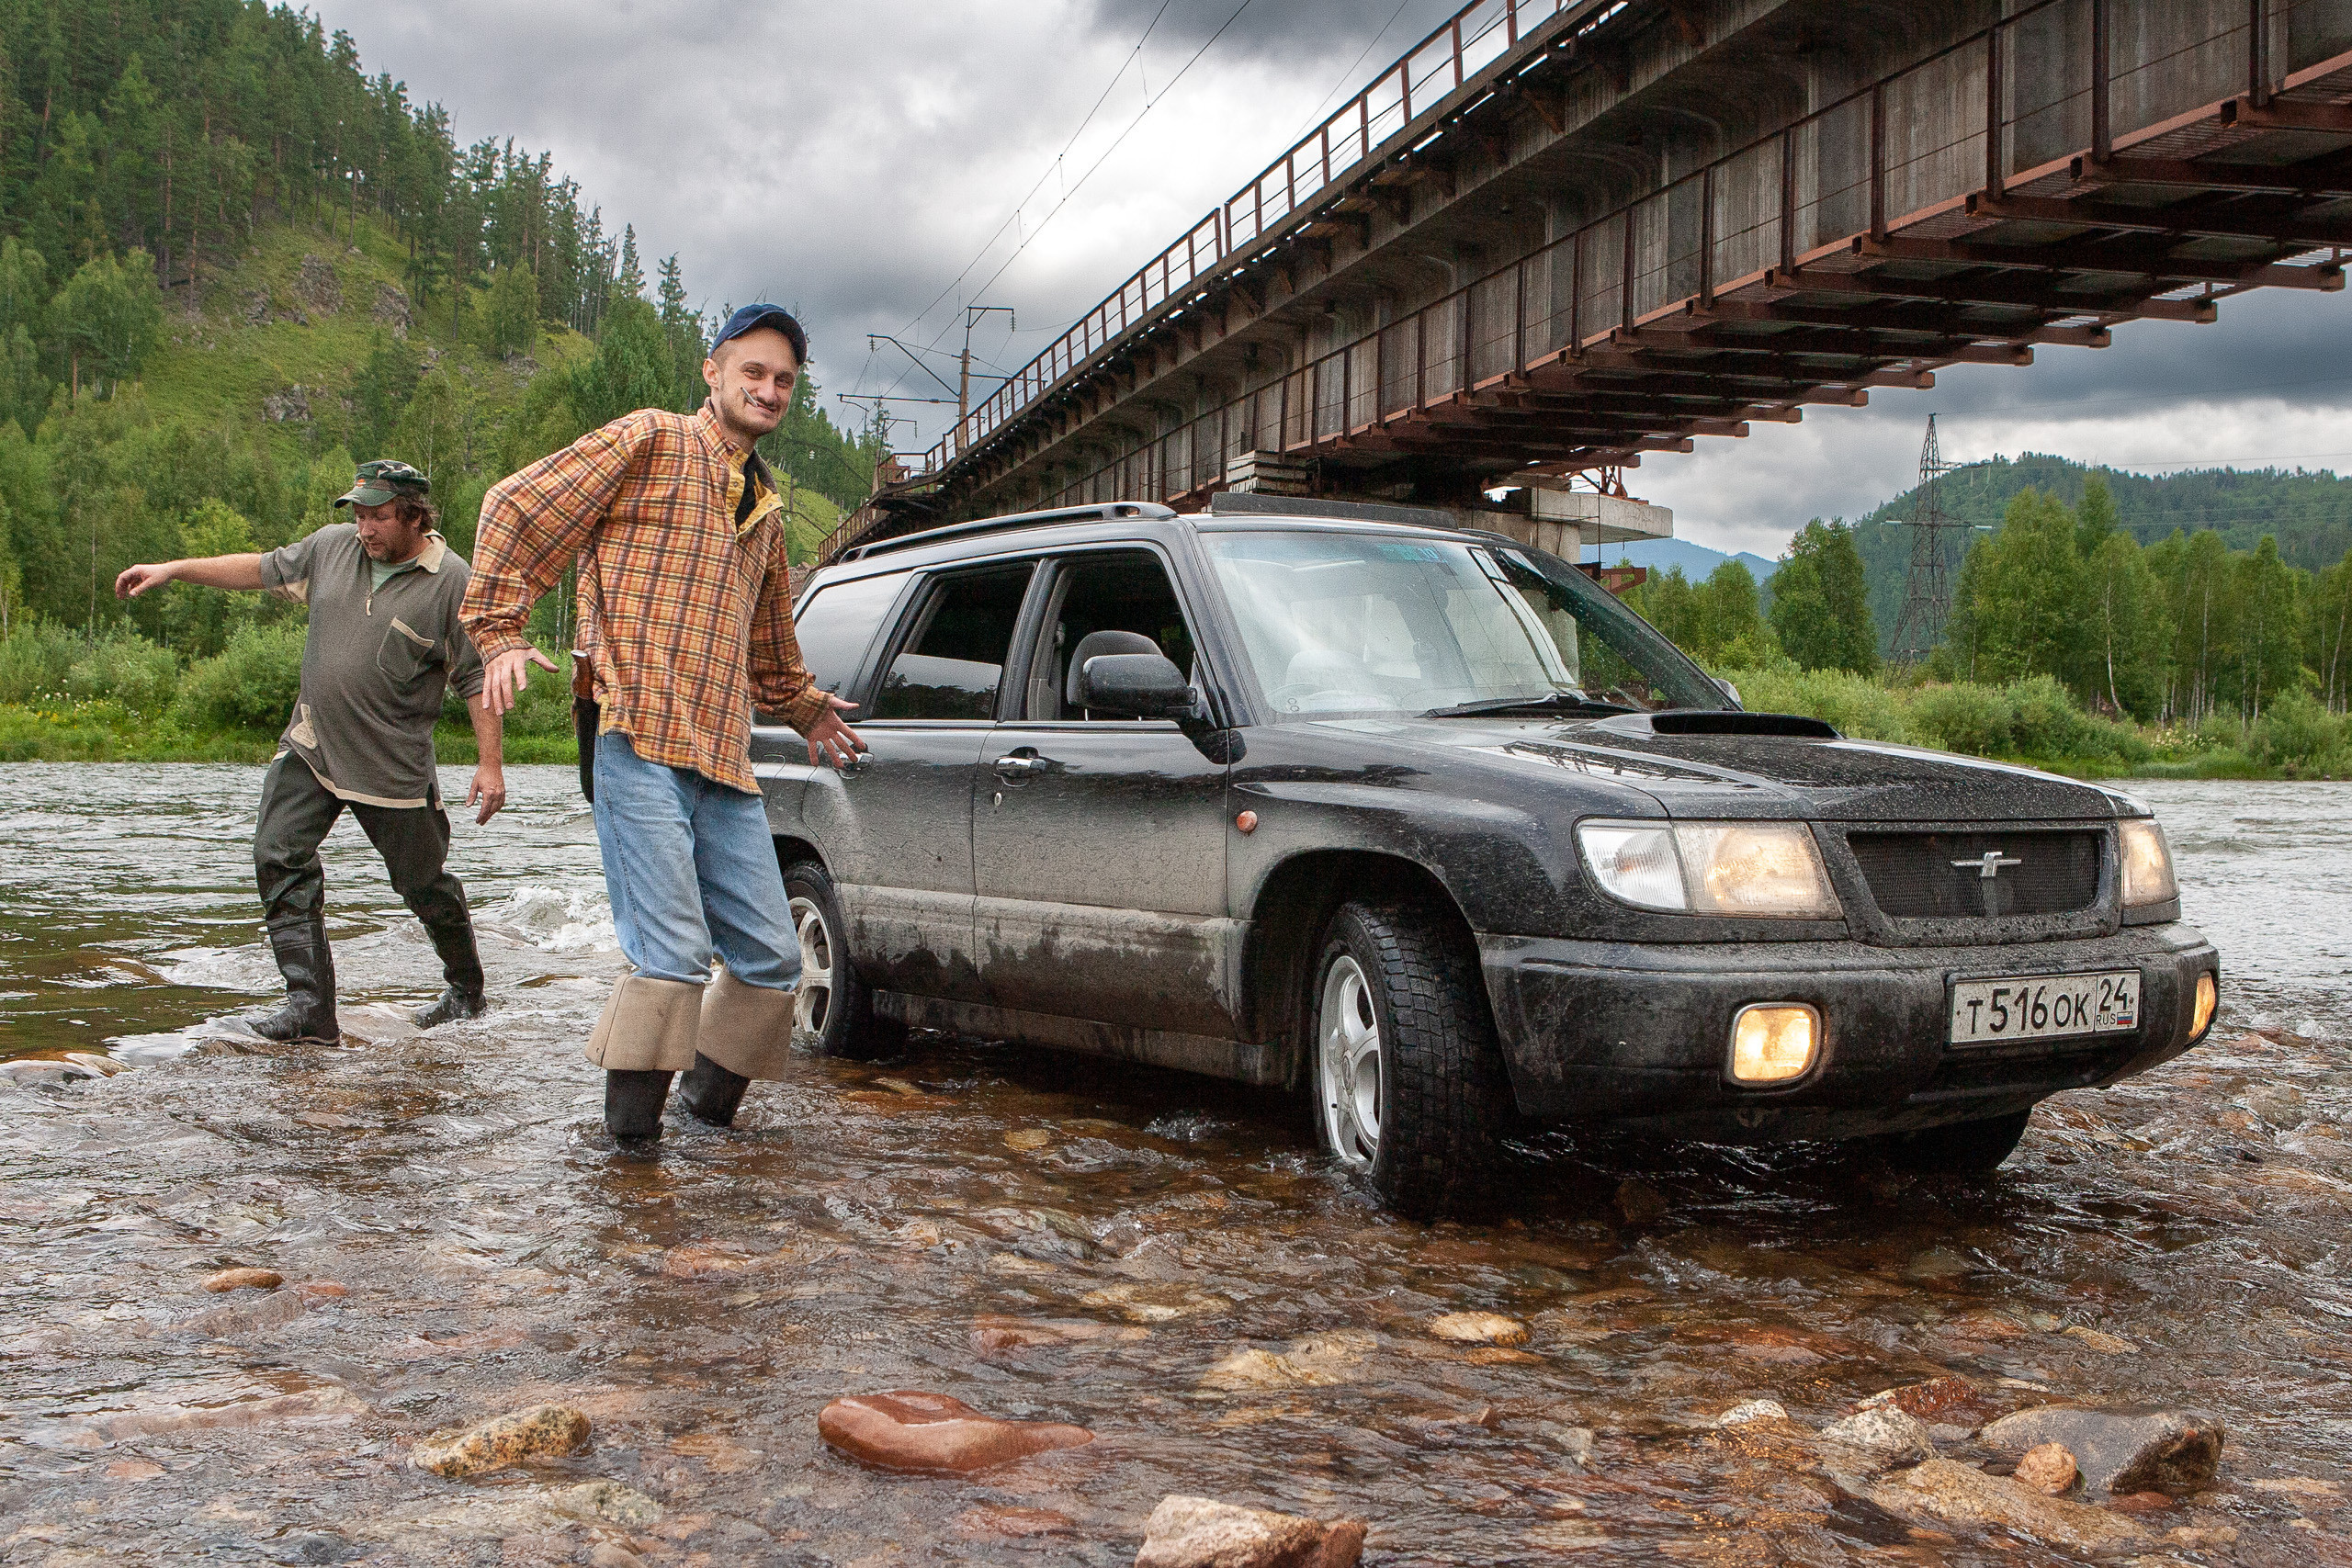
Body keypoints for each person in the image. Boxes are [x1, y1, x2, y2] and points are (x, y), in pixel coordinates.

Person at [461, 304, 864, 1145]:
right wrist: (499, 629)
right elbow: (516, 506)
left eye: (784, 380)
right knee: (673, 955)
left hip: (723, 755)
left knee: (771, 960)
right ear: (712, 372)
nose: (769, 390)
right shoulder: (650, 440)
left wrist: (804, 706)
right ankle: (629, 1159)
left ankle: (705, 1128)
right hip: (635, 733)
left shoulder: (767, 507)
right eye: (753, 372)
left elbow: (769, 647)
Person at [115, 461, 537, 1041]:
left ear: (414, 515)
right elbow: (257, 569)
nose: (365, 528)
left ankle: (466, 989)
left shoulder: (453, 582)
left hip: (391, 767)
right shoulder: (332, 548)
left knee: (423, 883)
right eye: (359, 515)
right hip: (312, 746)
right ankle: (311, 1010)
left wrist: (491, 766)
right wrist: (174, 569)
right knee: (277, 853)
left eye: (379, 516)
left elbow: (474, 679)